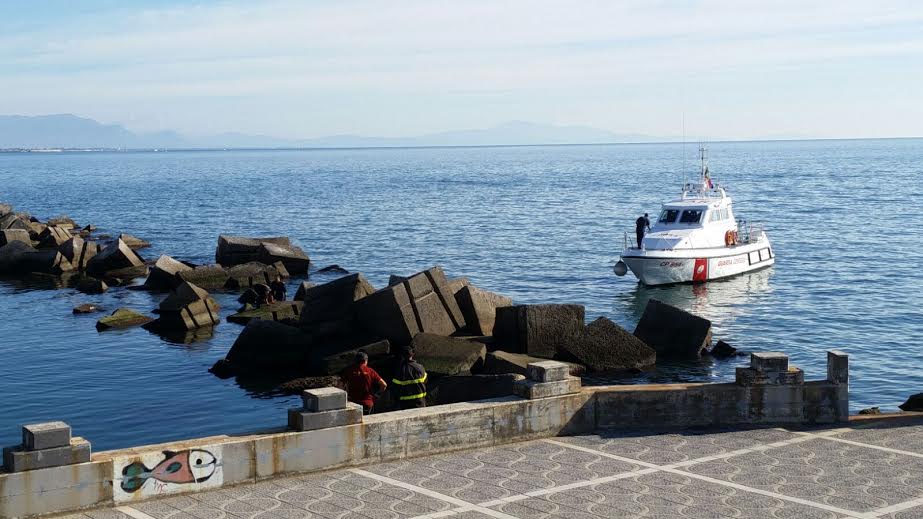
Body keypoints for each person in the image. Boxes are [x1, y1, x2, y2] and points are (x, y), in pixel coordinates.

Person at [392, 346, 427, 410]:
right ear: (412, 354)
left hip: (405, 404)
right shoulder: (420, 367)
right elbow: (426, 380)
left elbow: (395, 387)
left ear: (402, 356)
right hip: (420, 402)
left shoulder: (400, 370)